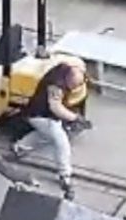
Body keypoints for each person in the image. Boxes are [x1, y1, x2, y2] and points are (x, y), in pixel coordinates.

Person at [11, 62, 91, 200]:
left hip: (39, 112)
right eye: (74, 85)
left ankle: (20, 147)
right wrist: (75, 118)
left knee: (48, 135)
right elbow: (56, 108)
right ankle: (65, 176)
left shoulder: (64, 70)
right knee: (61, 141)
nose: (74, 88)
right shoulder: (56, 86)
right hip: (40, 115)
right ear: (69, 79)